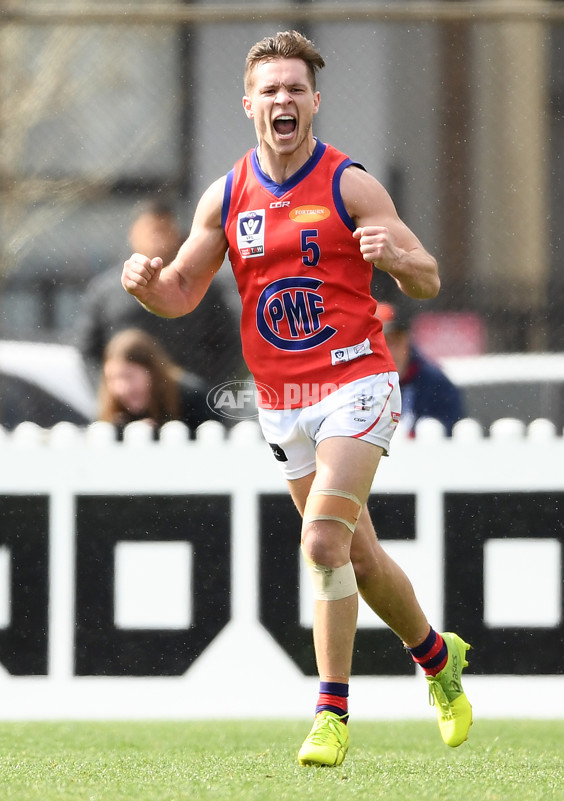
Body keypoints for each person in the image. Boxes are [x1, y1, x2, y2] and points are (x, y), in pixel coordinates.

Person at [121, 31, 472, 766]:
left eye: (295, 88)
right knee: (361, 557)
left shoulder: (349, 184)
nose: (283, 99)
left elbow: (428, 278)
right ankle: (439, 659)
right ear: (249, 103)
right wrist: (151, 289)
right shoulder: (228, 194)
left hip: (356, 383)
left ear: (315, 100)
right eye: (270, 89)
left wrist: (399, 259)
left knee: (321, 542)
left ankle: (330, 712)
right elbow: (183, 288)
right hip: (283, 401)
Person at [72, 200, 243, 388]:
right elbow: (87, 350)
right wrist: (110, 391)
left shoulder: (202, 286)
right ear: (133, 234)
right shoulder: (106, 291)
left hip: (189, 405)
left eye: (164, 230)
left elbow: (228, 344)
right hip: (127, 401)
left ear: (177, 235)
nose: (157, 238)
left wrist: (204, 390)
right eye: (150, 230)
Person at [97, 328, 218, 437]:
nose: (121, 388)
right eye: (112, 379)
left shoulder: (193, 399)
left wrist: (158, 436)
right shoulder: (114, 416)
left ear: (152, 371)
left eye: (129, 376)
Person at [377, 300, 466, 435]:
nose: (390, 351)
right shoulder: (354, 384)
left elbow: (454, 432)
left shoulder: (435, 383)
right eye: (381, 343)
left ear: (407, 340)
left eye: (395, 342)